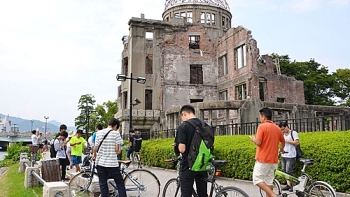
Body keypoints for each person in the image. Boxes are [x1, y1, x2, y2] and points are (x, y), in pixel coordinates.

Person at [249, 108, 285, 197]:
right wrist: (281, 150)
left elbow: (259, 142)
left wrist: (253, 139)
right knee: (269, 182)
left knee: (256, 179)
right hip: (273, 160)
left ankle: (273, 195)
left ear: (264, 117)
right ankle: (272, 194)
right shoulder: (277, 128)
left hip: (263, 159)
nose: (260, 119)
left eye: (260, 117)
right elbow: (283, 141)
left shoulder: (262, 126)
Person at [175, 105, 208, 197]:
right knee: (202, 194)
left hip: (188, 165)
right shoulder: (205, 125)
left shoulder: (183, 126)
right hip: (202, 163)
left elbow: (182, 149)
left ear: (184, 114)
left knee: (186, 194)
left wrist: (177, 145)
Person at [92, 118, 126, 197]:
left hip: (100, 163)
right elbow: (117, 150)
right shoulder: (116, 133)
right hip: (112, 163)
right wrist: (117, 150)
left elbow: (95, 148)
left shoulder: (99, 133)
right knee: (120, 182)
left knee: (103, 184)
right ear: (116, 126)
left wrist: (94, 155)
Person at [279, 121, 299, 192]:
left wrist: (287, 141)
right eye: (281, 129)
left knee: (289, 171)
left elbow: (297, 142)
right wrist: (279, 151)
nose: (282, 131)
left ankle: (295, 185)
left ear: (287, 126)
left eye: (283, 129)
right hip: (284, 154)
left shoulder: (293, 133)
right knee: (284, 171)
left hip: (291, 155)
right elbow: (281, 144)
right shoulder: (283, 135)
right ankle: (288, 185)